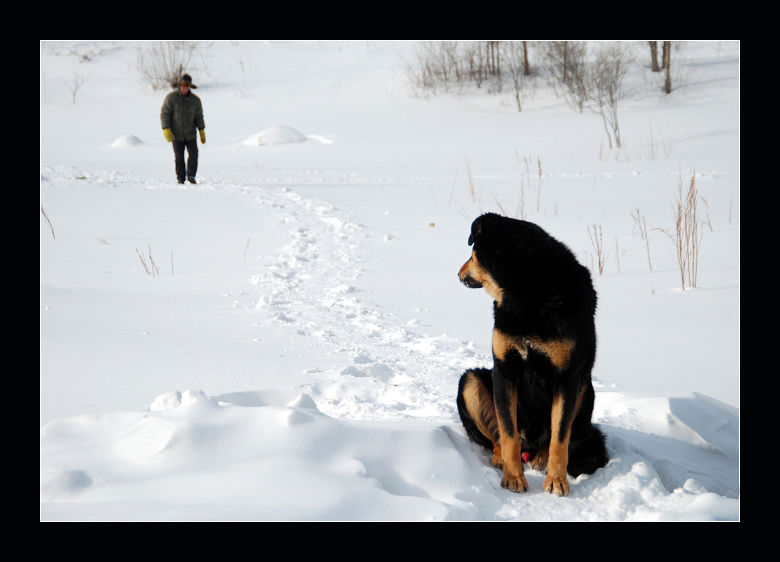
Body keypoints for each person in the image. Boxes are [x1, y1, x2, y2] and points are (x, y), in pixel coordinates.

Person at [160, 74, 206, 184]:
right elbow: (165, 114)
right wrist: (166, 128)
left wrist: (201, 130)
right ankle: (181, 178)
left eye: (187, 87)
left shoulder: (195, 100)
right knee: (179, 157)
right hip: (176, 134)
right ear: (179, 86)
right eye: (182, 86)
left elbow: (199, 116)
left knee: (194, 155)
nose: (184, 89)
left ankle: (191, 176)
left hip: (190, 134)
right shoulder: (171, 98)